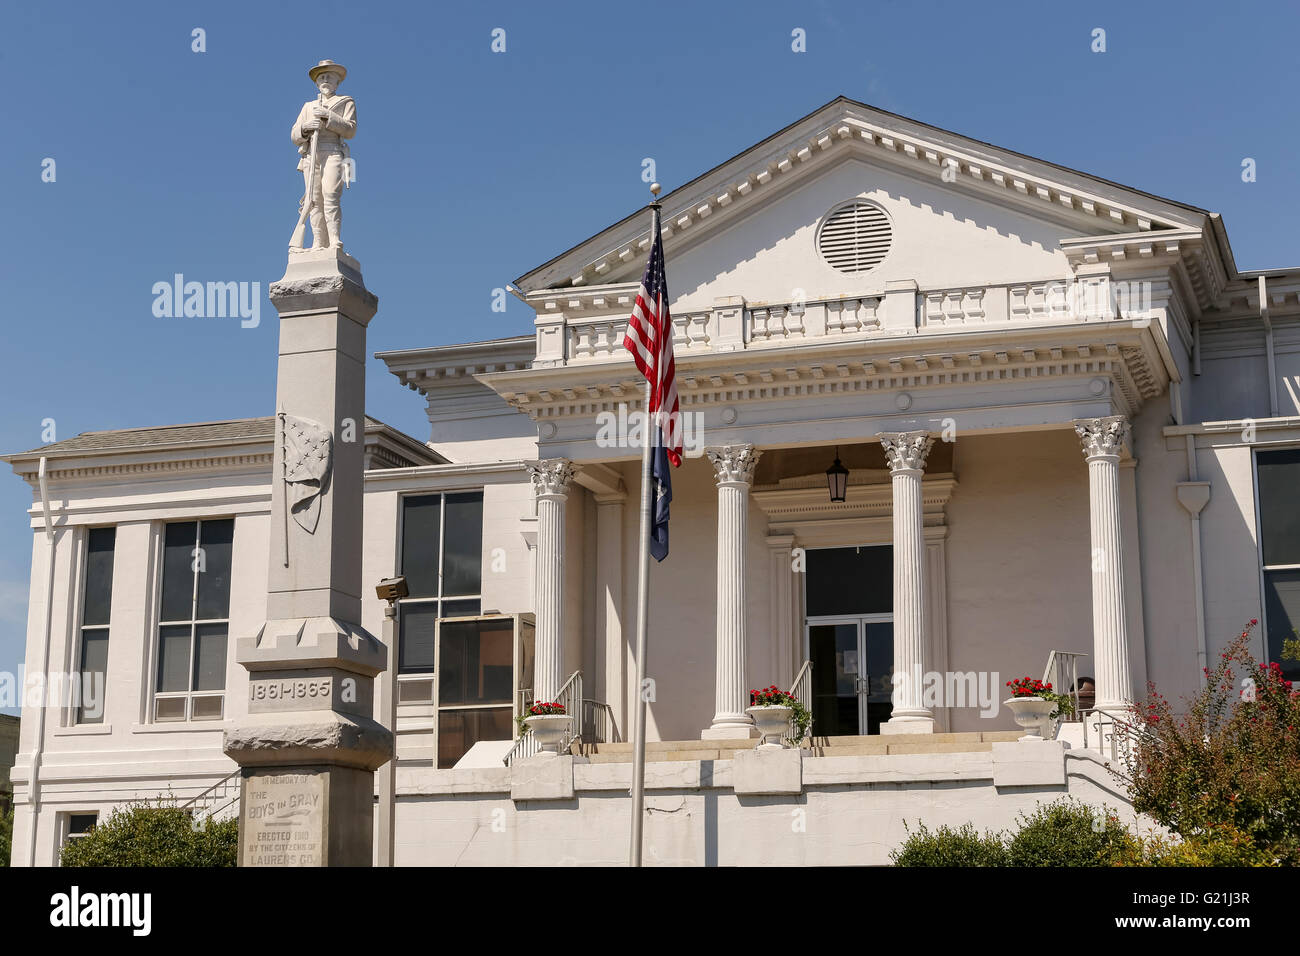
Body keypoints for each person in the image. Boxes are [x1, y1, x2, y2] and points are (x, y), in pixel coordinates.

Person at [291, 59, 356, 251]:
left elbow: (351, 130)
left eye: (330, 77)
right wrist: (305, 128)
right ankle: (318, 242)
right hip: (311, 153)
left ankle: (334, 239)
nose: (325, 80)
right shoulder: (308, 106)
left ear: (337, 82)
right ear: (317, 83)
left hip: (333, 150)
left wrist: (329, 118)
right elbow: (294, 135)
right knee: (313, 200)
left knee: (330, 195)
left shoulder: (346, 102)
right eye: (321, 77)